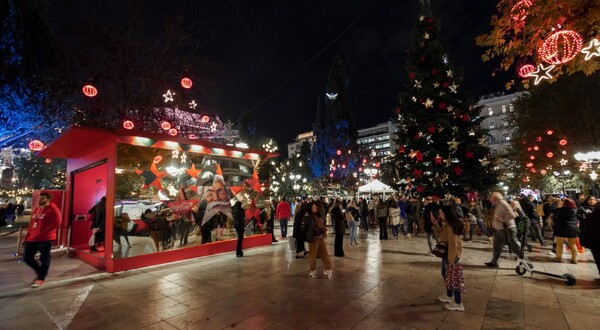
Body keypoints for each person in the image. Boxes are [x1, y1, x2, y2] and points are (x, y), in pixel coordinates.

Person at [23, 192, 61, 288]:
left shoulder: (53, 209)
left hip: (46, 239)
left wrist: (43, 233)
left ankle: (41, 278)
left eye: (42, 198)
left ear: (48, 199)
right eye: (39, 198)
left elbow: (56, 223)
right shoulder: (36, 210)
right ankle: (40, 272)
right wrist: (27, 237)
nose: (40, 200)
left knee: (44, 258)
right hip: (32, 238)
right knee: (27, 258)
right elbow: (31, 225)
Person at [431, 205, 465, 312]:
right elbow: (440, 236)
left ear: (446, 213)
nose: (439, 214)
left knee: (452, 276)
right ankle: (449, 295)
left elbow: (453, 244)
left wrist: (451, 259)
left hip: (452, 254)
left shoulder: (450, 226)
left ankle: (458, 303)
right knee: (445, 273)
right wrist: (435, 224)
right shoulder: (447, 224)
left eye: (441, 212)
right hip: (448, 253)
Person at [485, 192, 521, 268]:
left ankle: (526, 261)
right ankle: (494, 262)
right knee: (497, 246)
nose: (490, 199)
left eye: (491, 197)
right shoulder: (498, 205)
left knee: (514, 246)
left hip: (507, 229)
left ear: (495, 198)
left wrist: (501, 219)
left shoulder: (503, 204)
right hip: (500, 229)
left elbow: (512, 215)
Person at [303, 202, 333, 279]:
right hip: (315, 238)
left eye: (315, 207)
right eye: (313, 207)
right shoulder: (309, 217)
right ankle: (316, 270)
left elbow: (305, 229)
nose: (315, 208)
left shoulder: (313, 216)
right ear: (310, 208)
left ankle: (328, 269)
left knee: (322, 254)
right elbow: (305, 228)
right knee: (316, 255)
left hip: (319, 237)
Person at [552, 198, 579, 264]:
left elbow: (554, 215)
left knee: (559, 243)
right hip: (572, 228)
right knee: (572, 243)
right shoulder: (575, 210)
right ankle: (574, 259)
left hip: (561, 227)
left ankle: (558, 257)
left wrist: (559, 205)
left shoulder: (560, 210)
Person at [580, 203, 600, 278]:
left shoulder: (590, 216)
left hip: (594, 240)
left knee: (597, 258)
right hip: (594, 240)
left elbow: (585, 229)